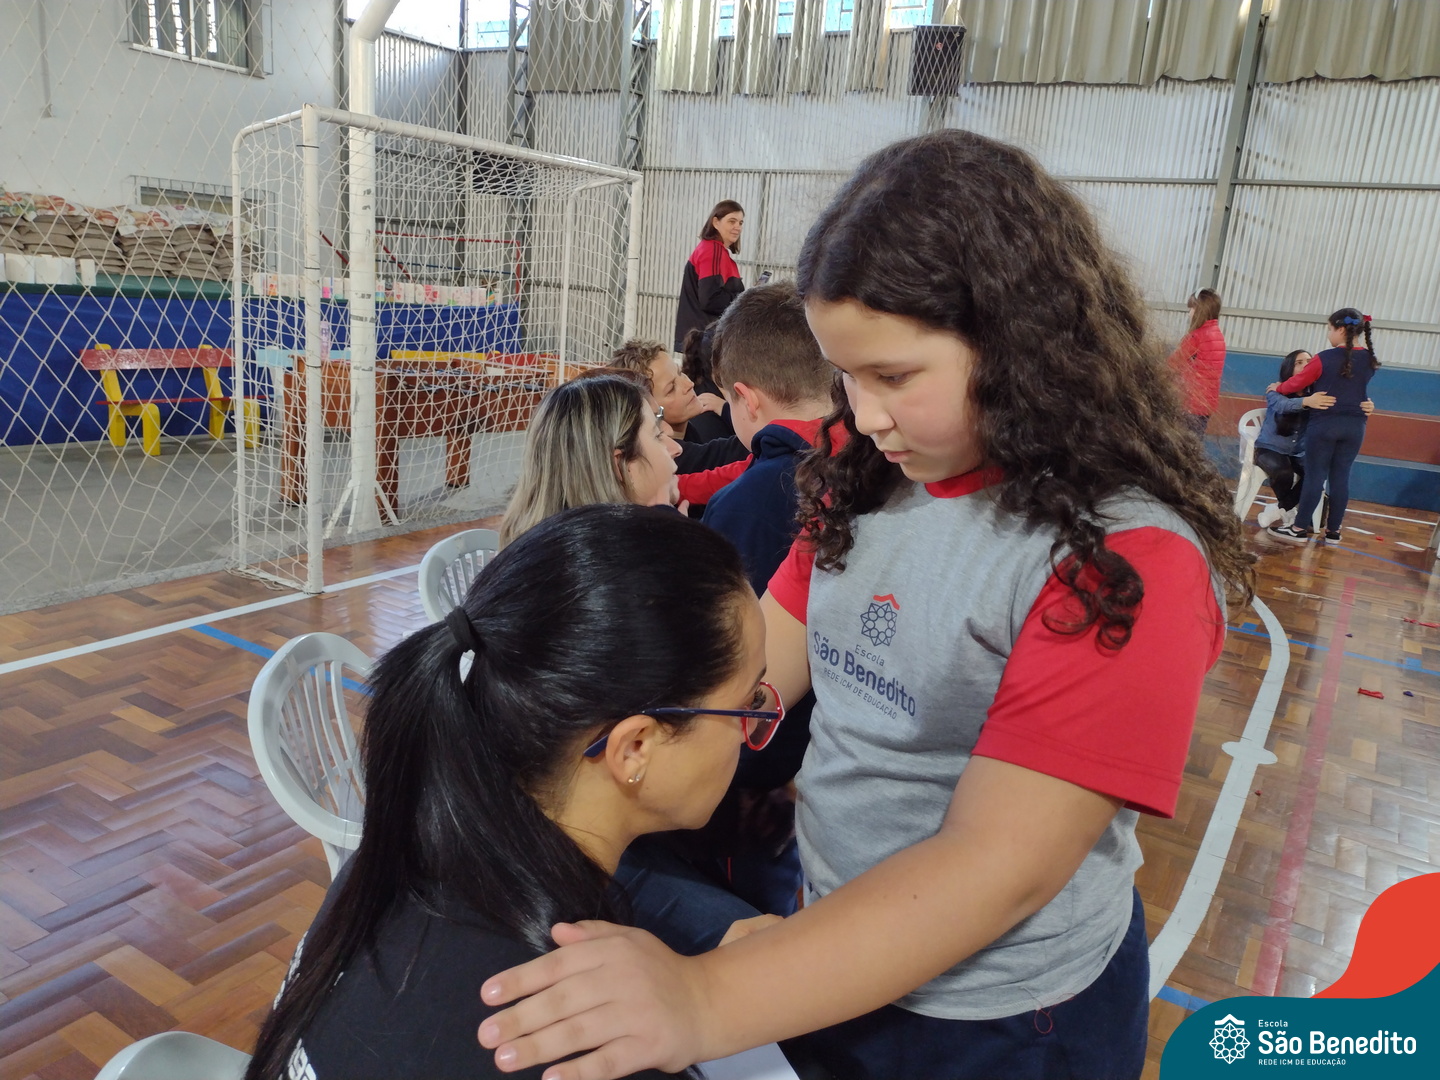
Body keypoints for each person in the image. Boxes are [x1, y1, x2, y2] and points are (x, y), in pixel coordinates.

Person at [475, 130, 1253, 1080]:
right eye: (847, 374)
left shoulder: (1123, 558)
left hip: (1004, 1017)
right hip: (840, 938)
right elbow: (755, 668)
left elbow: (996, 869)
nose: (864, 412)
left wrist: (702, 999)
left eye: (894, 376)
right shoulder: (865, 475)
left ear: (1021, 345)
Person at [245, 504, 780, 1080]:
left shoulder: (393, 863)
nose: (755, 725)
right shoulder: (586, 1051)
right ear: (635, 749)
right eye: (748, 702)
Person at [616, 282, 836, 953]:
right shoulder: (850, 475)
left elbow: (727, 677)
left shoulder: (756, 500)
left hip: (751, 792)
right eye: (658, 432)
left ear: (745, 397)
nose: (675, 447)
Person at [498, 375, 681, 546]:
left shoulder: (531, 547)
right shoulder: (634, 559)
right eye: (657, 436)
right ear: (620, 465)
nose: (677, 449)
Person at [1267, 308, 1381, 544]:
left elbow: (1296, 383)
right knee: (1341, 477)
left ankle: (1298, 529)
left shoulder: (1324, 358)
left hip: (1325, 424)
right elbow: (1355, 387)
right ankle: (1333, 532)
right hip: (1355, 426)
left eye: (1330, 329)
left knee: (1315, 476)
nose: (1328, 334)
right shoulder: (1370, 359)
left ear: (1341, 329)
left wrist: (1278, 387)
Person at [609, 339, 748, 475]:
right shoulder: (672, 457)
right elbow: (740, 448)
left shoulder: (692, 433)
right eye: (671, 389)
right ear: (648, 407)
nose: (689, 384)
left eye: (680, 372)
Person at [1253, 350, 1320, 529]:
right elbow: (1283, 406)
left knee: (1316, 476)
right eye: (1299, 362)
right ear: (1289, 368)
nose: (1305, 365)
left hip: (1297, 452)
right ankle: (1288, 511)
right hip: (1270, 448)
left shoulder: (1316, 394)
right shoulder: (1275, 390)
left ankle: (1278, 509)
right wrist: (1307, 402)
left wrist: (1363, 404)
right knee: (1284, 474)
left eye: (1309, 361)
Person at [674, 199, 745, 351]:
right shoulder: (713, 250)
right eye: (732, 221)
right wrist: (742, 300)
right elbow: (710, 299)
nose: (737, 227)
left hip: (702, 340)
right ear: (716, 222)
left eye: (740, 222)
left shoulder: (716, 251)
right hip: (705, 341)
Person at [1167, 288, 1226, 437]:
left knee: (1182, 442)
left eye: (1192, 308)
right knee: (1195, 441)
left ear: (1201, 310)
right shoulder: (1217, 334)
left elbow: (1172, 364)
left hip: (1191, 403)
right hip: (1207, 404)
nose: (1189, 313)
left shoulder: (1196, 337)